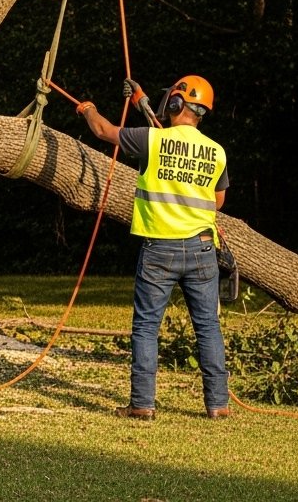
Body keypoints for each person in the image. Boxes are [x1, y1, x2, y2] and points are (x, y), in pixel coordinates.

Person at [77, 75, 232, 420]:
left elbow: (104, 131)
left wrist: (89, 109)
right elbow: (217, 201)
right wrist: (140, 99)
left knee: (147, 327)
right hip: (203, 249)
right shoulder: (216, 151)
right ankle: (218, 405)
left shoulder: (152, 141)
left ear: (176, 104)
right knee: (207, 326)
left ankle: (142, 405)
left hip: (159, 250)